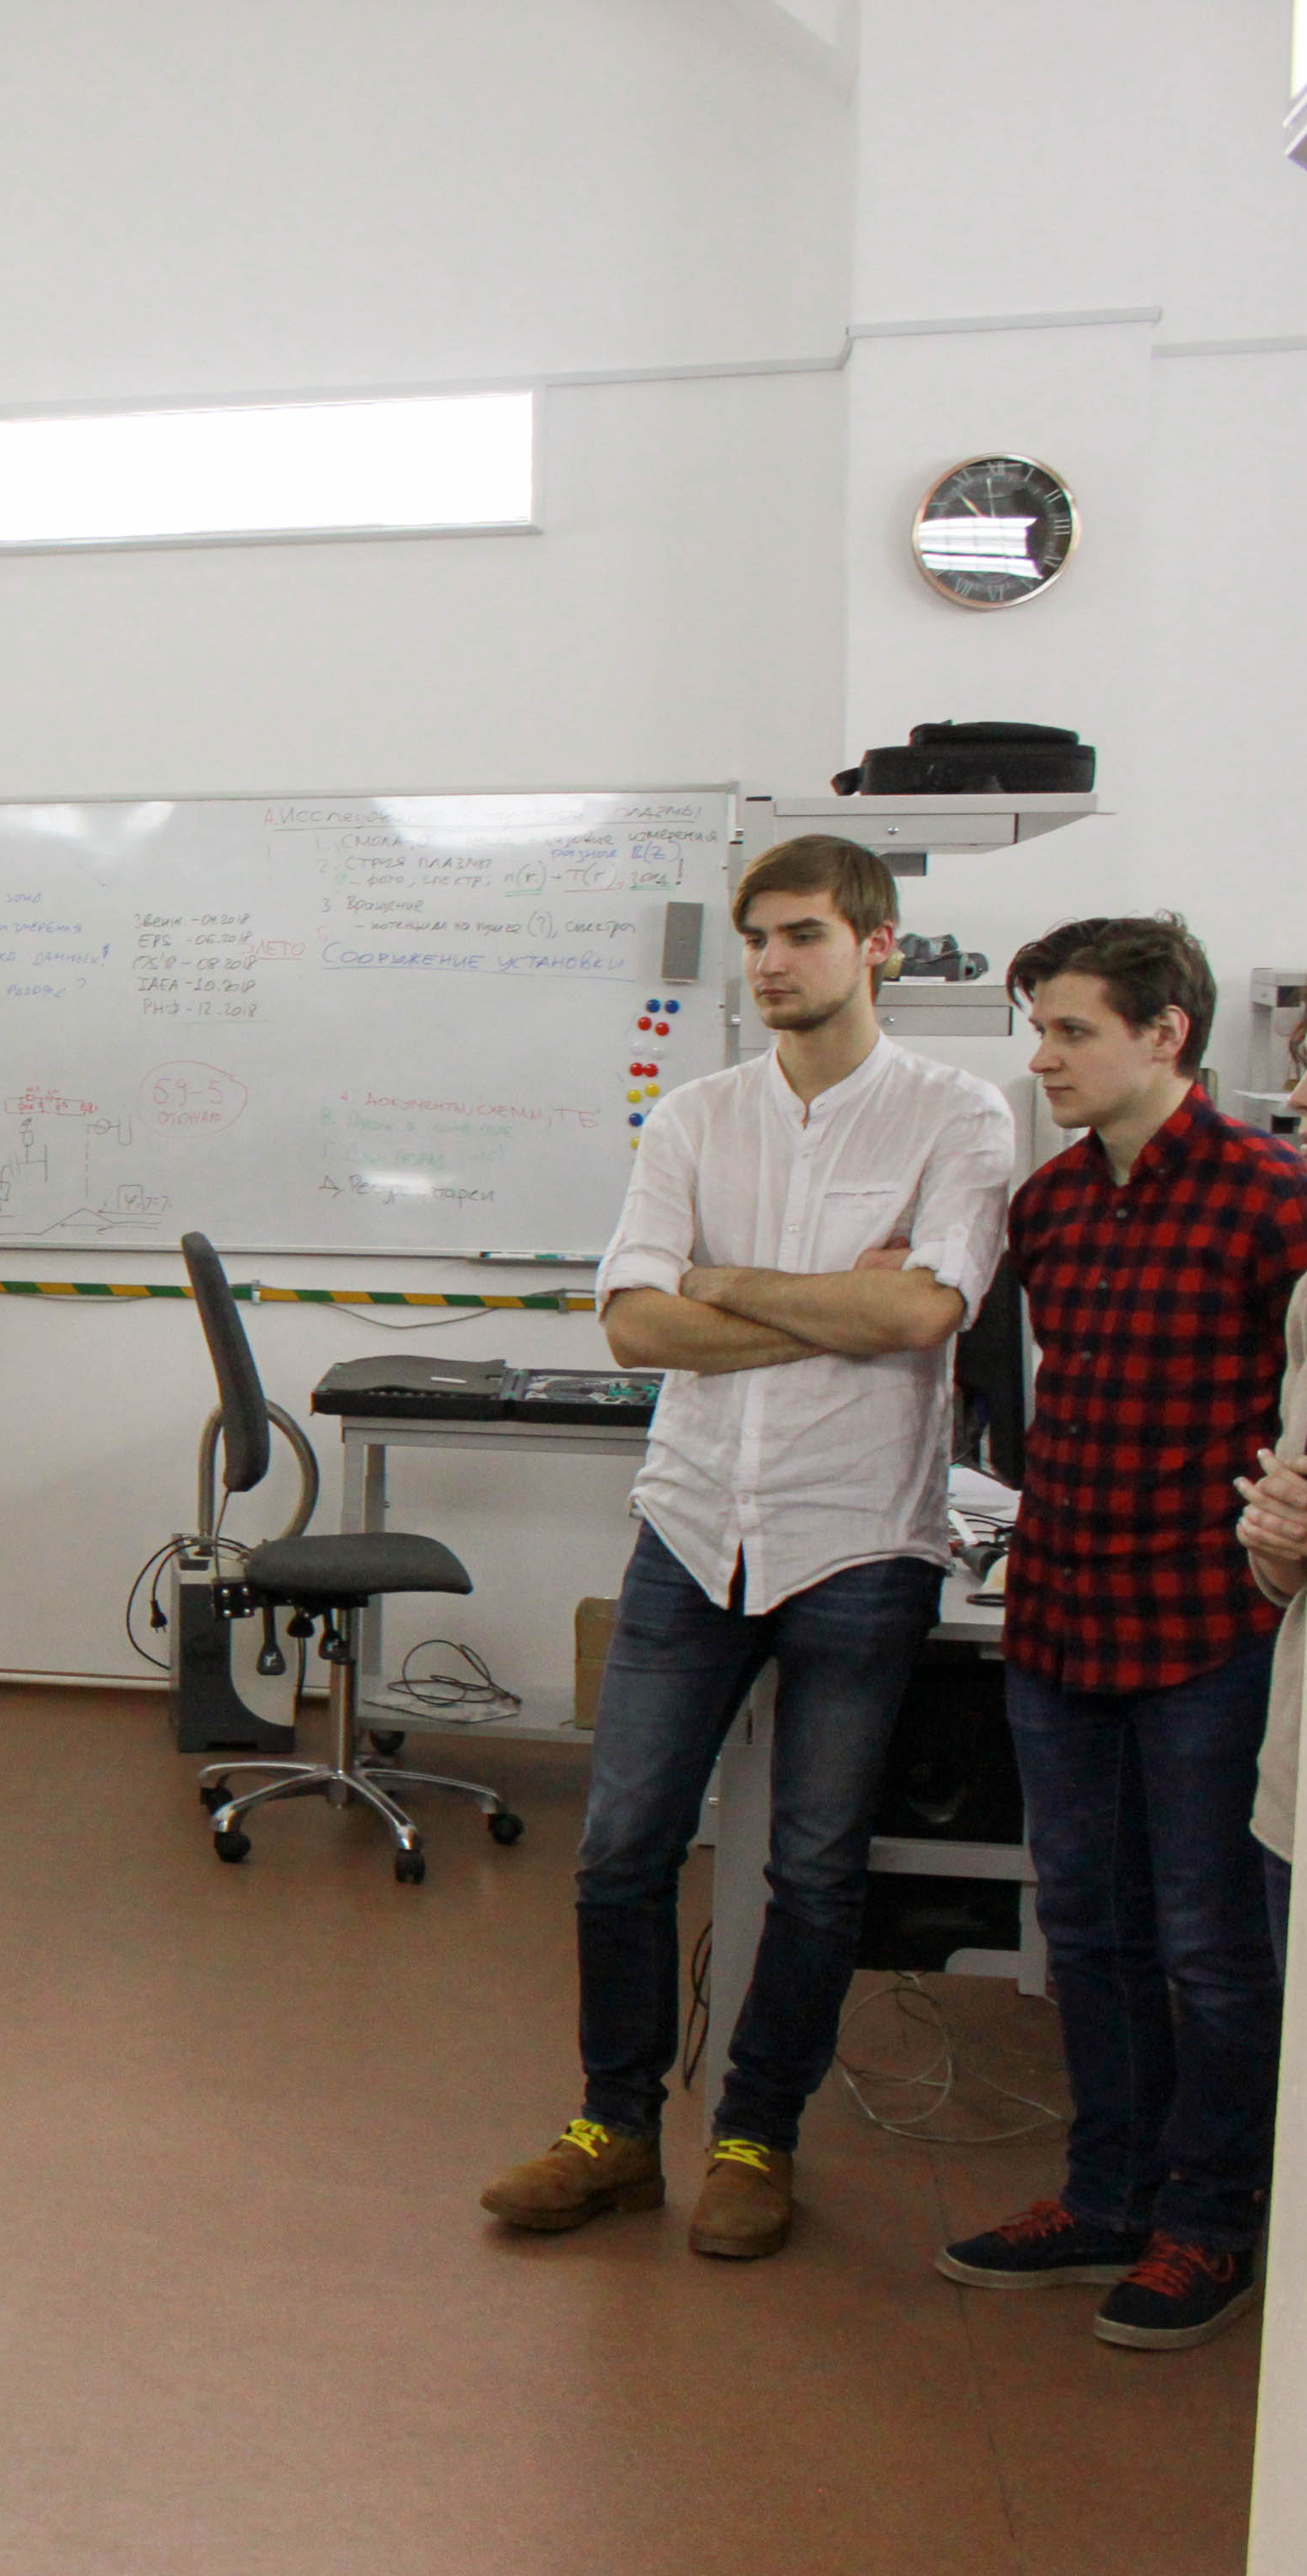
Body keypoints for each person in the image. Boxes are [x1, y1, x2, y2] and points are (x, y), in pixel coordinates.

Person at [480, 836, 1009, 2259]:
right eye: (755, 936)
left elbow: (924, 1315)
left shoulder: (956, 1115)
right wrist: (827, 1305)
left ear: (877, 943)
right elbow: (634, 1326)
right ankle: (612, 2131)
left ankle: (755, 2138)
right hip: (692, 1519)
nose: (770, 961)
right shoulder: (695, 1119)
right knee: (620, 1849)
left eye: (801, 934)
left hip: (861, 1538)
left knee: (817, 1868)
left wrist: (724, 1284)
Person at [940, 917, 1307, 2352]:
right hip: (1060, 1615)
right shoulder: (1048, 1204)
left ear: (1166, 1034)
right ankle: (1106, 2193)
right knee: (1088, 1929)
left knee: (1210, 1946)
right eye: (1037, 1032)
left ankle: (1209, 2219)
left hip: (1206, 1627)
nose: (1043, 1060)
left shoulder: (1269, 1199)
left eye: (1072, 1032)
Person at [1237, 963, 1307, 1972]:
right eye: (1306, 1059)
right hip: (1305, 1785)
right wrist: (1278, 1535)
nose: (1301, 1095)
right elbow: (1287, 1571)